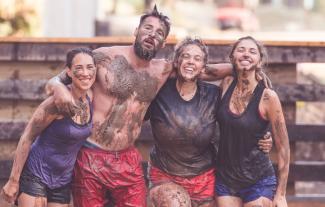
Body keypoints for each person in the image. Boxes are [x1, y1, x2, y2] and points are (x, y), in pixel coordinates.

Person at [46, 6, 232, 207]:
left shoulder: (163, 69)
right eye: (148, 28)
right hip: (92, 154)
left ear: (163, 42)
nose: (153, 34)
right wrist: (57, 85)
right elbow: (65, 75)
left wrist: (244, 68)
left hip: (127, 157)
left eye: (159, 33)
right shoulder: (104, 57)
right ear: (136, 31)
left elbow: (203, 71)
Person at [146, 37, 273, 207]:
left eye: (197, 59)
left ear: (204, 67)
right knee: (175, 203)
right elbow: (131, 117)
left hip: (205, 178)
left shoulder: (214, 95)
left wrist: (262, 135)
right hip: (167, 176)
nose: (191, 62)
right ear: (176, 61)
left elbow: (239, 120)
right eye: (186, 56)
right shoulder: (159, 91)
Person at [1, 47, 96, 207]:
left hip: (62, 180)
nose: (86, 73)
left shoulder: (90, 97)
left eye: (90, 67)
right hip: (36, 174)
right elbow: (27, 137)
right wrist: (13, 181)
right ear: (69, 72)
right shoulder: (55, 103)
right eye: (79, 68)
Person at [215, 36, 290, 207]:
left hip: (258, 180)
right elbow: (201, 70)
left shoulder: (268, 97)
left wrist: (281, 193)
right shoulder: (226, 83)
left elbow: (284, 147)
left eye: (252, 51)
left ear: (260, 61)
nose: (246, 54)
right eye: (241, 50)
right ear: (232, 57)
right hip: (226, 179)